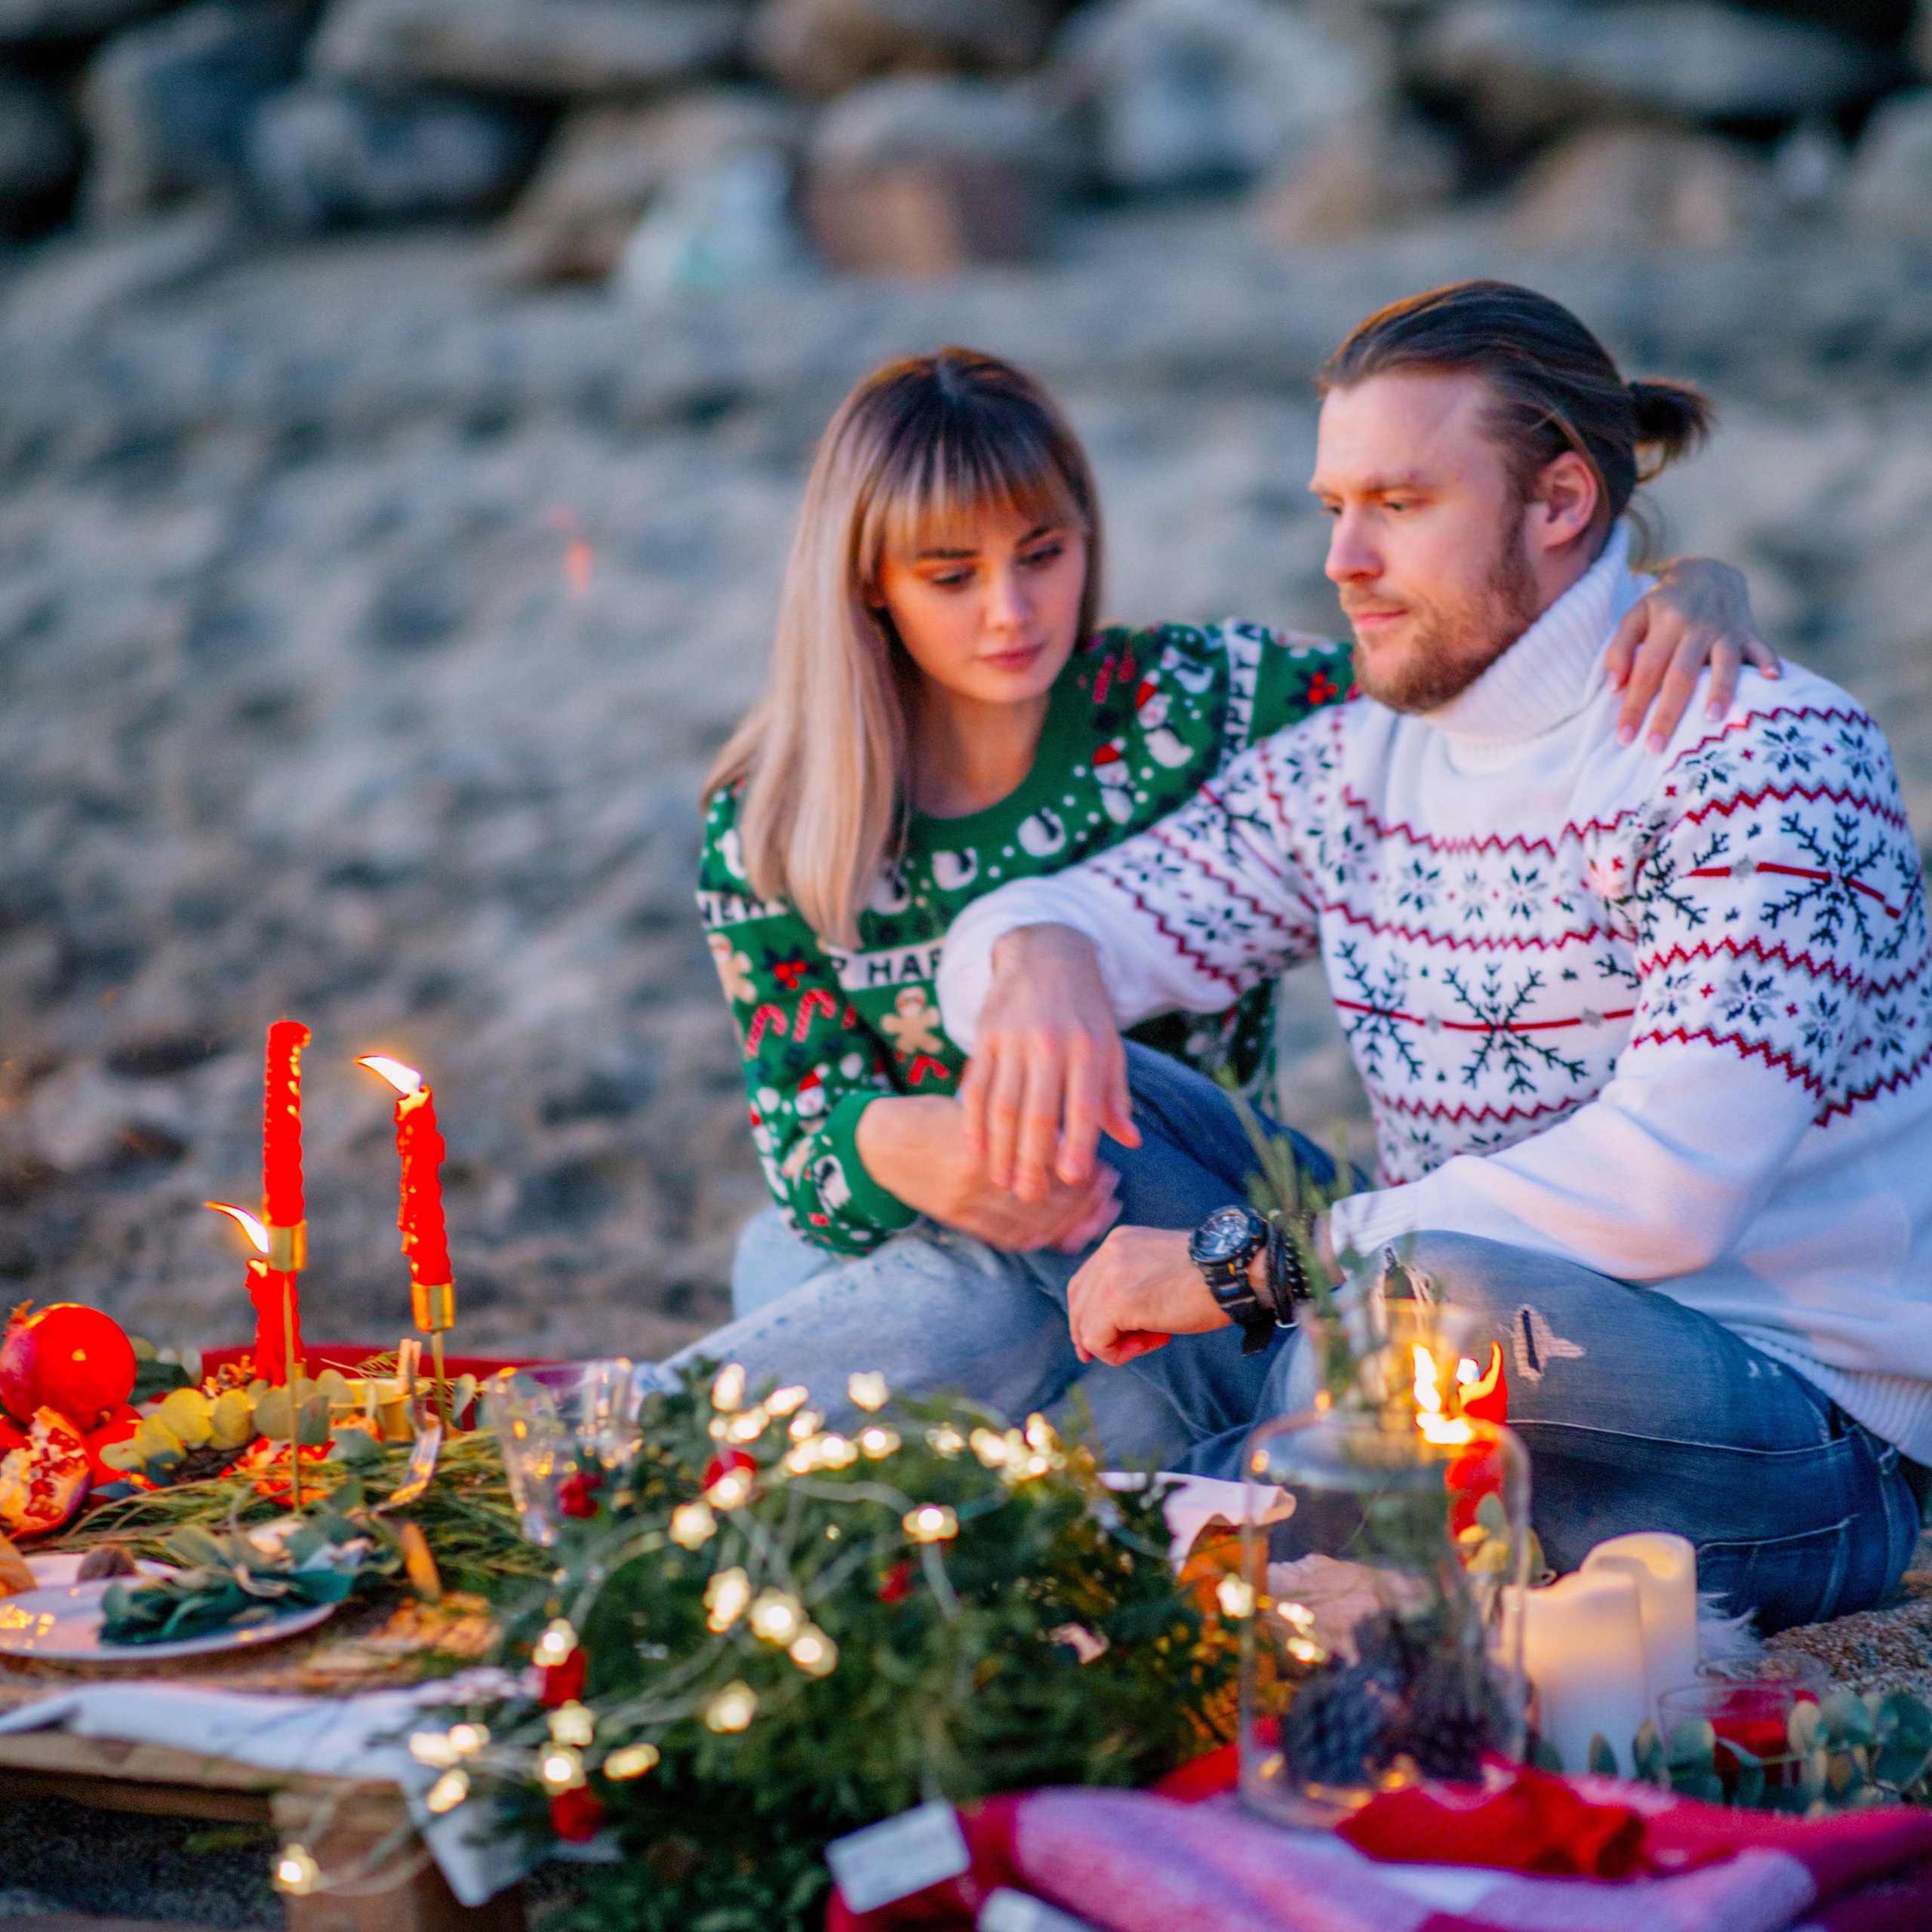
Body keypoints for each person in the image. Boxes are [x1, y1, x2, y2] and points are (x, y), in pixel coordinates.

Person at [935, 281, 1932, 1631]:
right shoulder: (1357, 763)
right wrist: (1041, 946)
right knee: (1081, 1090)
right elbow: (1004, 953)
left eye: (1399, 505)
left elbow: (1668, 1193)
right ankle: (1214, 1496)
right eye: (1334, 507)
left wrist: (1254, 1267)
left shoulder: (1762, 756)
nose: (1343, 559)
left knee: (1421, 1301)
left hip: (1792, 1434)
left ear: (1560, 501)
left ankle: (1135, 1527)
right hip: (1422, 1344)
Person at [682, 344, 1772, 1460]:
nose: (1011, 611)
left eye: (1044, 555)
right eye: (952, 577)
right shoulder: (773, 822)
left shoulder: (1200, 703)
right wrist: (886, 1143)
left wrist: (1682, 586)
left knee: (1046, 1322)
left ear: (1087, 536)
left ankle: (652, 1434)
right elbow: (803, 1147)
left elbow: (1469, 654)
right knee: (797, 1262)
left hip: (1179, 1240)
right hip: (915, 1248)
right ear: (870, 580)